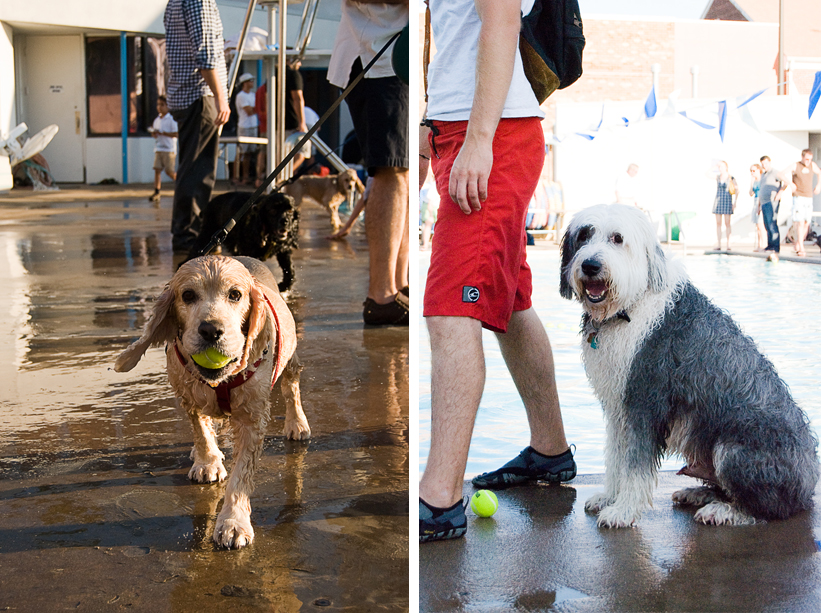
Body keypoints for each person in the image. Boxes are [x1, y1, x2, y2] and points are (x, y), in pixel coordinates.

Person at [418, 0, 575, 543]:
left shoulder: (487, 136)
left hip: (491, 132)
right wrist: (428, 118)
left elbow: (502, 20)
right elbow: (447, 31)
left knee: (449, 309)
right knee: (510, 299)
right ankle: (550, 451)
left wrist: (479, 141)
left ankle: (439, 499)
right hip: (459, 125)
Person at [328, 0, 410, 326]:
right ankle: (381, 295)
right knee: (389, 171)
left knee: (400, 172)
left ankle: (397, 285)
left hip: (396, 57)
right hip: (376, 57)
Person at [164, 0, 230, 253]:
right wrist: (221, 96)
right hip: (198, 95)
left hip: (186, 95)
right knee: (198, 170)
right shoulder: (198, 0)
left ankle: (186, 234)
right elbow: (205, 55)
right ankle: (189, 238)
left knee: (191, 167)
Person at [777, 149, 821, 257]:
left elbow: (819, 172)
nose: (808, 161)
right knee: (800, 222)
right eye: (806, 159)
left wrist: (819, 185)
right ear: (802, 157)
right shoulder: (796, 165)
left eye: (810, 159)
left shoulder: (812, 165)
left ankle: (798, 243)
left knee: (806, 223)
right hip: (798, 197)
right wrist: (790, 183)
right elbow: (780, 174)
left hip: (808, 197)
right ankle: (801, 246)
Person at [148, 95, 178, 203]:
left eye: (162, 105)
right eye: (158, 105)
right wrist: (155, 134)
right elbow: (156, 134)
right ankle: (157, 191)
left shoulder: (171, 119)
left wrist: (164, 133)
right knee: (157, 170)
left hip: (169, 149)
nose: (159, 107)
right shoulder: (157, 120)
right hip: (159, 148)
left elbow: (176, 134)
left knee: (169, 171)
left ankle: (181, 185)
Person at [234, 73, 258, 185]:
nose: (252, 82)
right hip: (244, 127)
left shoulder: (253, 95)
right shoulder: (241, 95)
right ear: (244, 83)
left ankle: (245, 177)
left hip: (253, 126)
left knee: (249, 153)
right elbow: (249, 111)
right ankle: (236, 176)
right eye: (250, 80)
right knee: (241, 153)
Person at [711, 161, 737, 251]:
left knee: (727, 223)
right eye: (719, 167)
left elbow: (737, 190)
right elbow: (706, 174)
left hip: (727, 200)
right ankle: (719, 243)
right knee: (718, 223)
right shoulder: (718, 177)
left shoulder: (731, 177)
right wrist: (714, 166)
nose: (720, 168)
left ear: (726, 167)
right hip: (718, 201)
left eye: (722, 166)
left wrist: (735, 202)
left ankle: (728, 244)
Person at [758, 155, 782, 254]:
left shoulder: (775, 172)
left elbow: (786, 181)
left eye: (766, 163)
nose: (764, 166)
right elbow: (761, 190)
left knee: (772, 223)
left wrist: (779, 193)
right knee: (767, 224)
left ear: (770, 162)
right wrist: (759, 205)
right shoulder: (763, 175)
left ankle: (775, 246)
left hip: (772, 201)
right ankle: (770, 245)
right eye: (762, 164)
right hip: (764, 202)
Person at [749, 163, 765, 251]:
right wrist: (751, 182)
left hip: (761, 201)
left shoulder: (762, 179)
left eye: (754, 171)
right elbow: (751, 193)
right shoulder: (754, 181)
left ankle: (763, 244)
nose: (752, 173)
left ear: (759, 170)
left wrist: (759, 205)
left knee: (761, 224)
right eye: (751, 171)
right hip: (755, 201)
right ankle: (759, 245)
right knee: (757, 225)